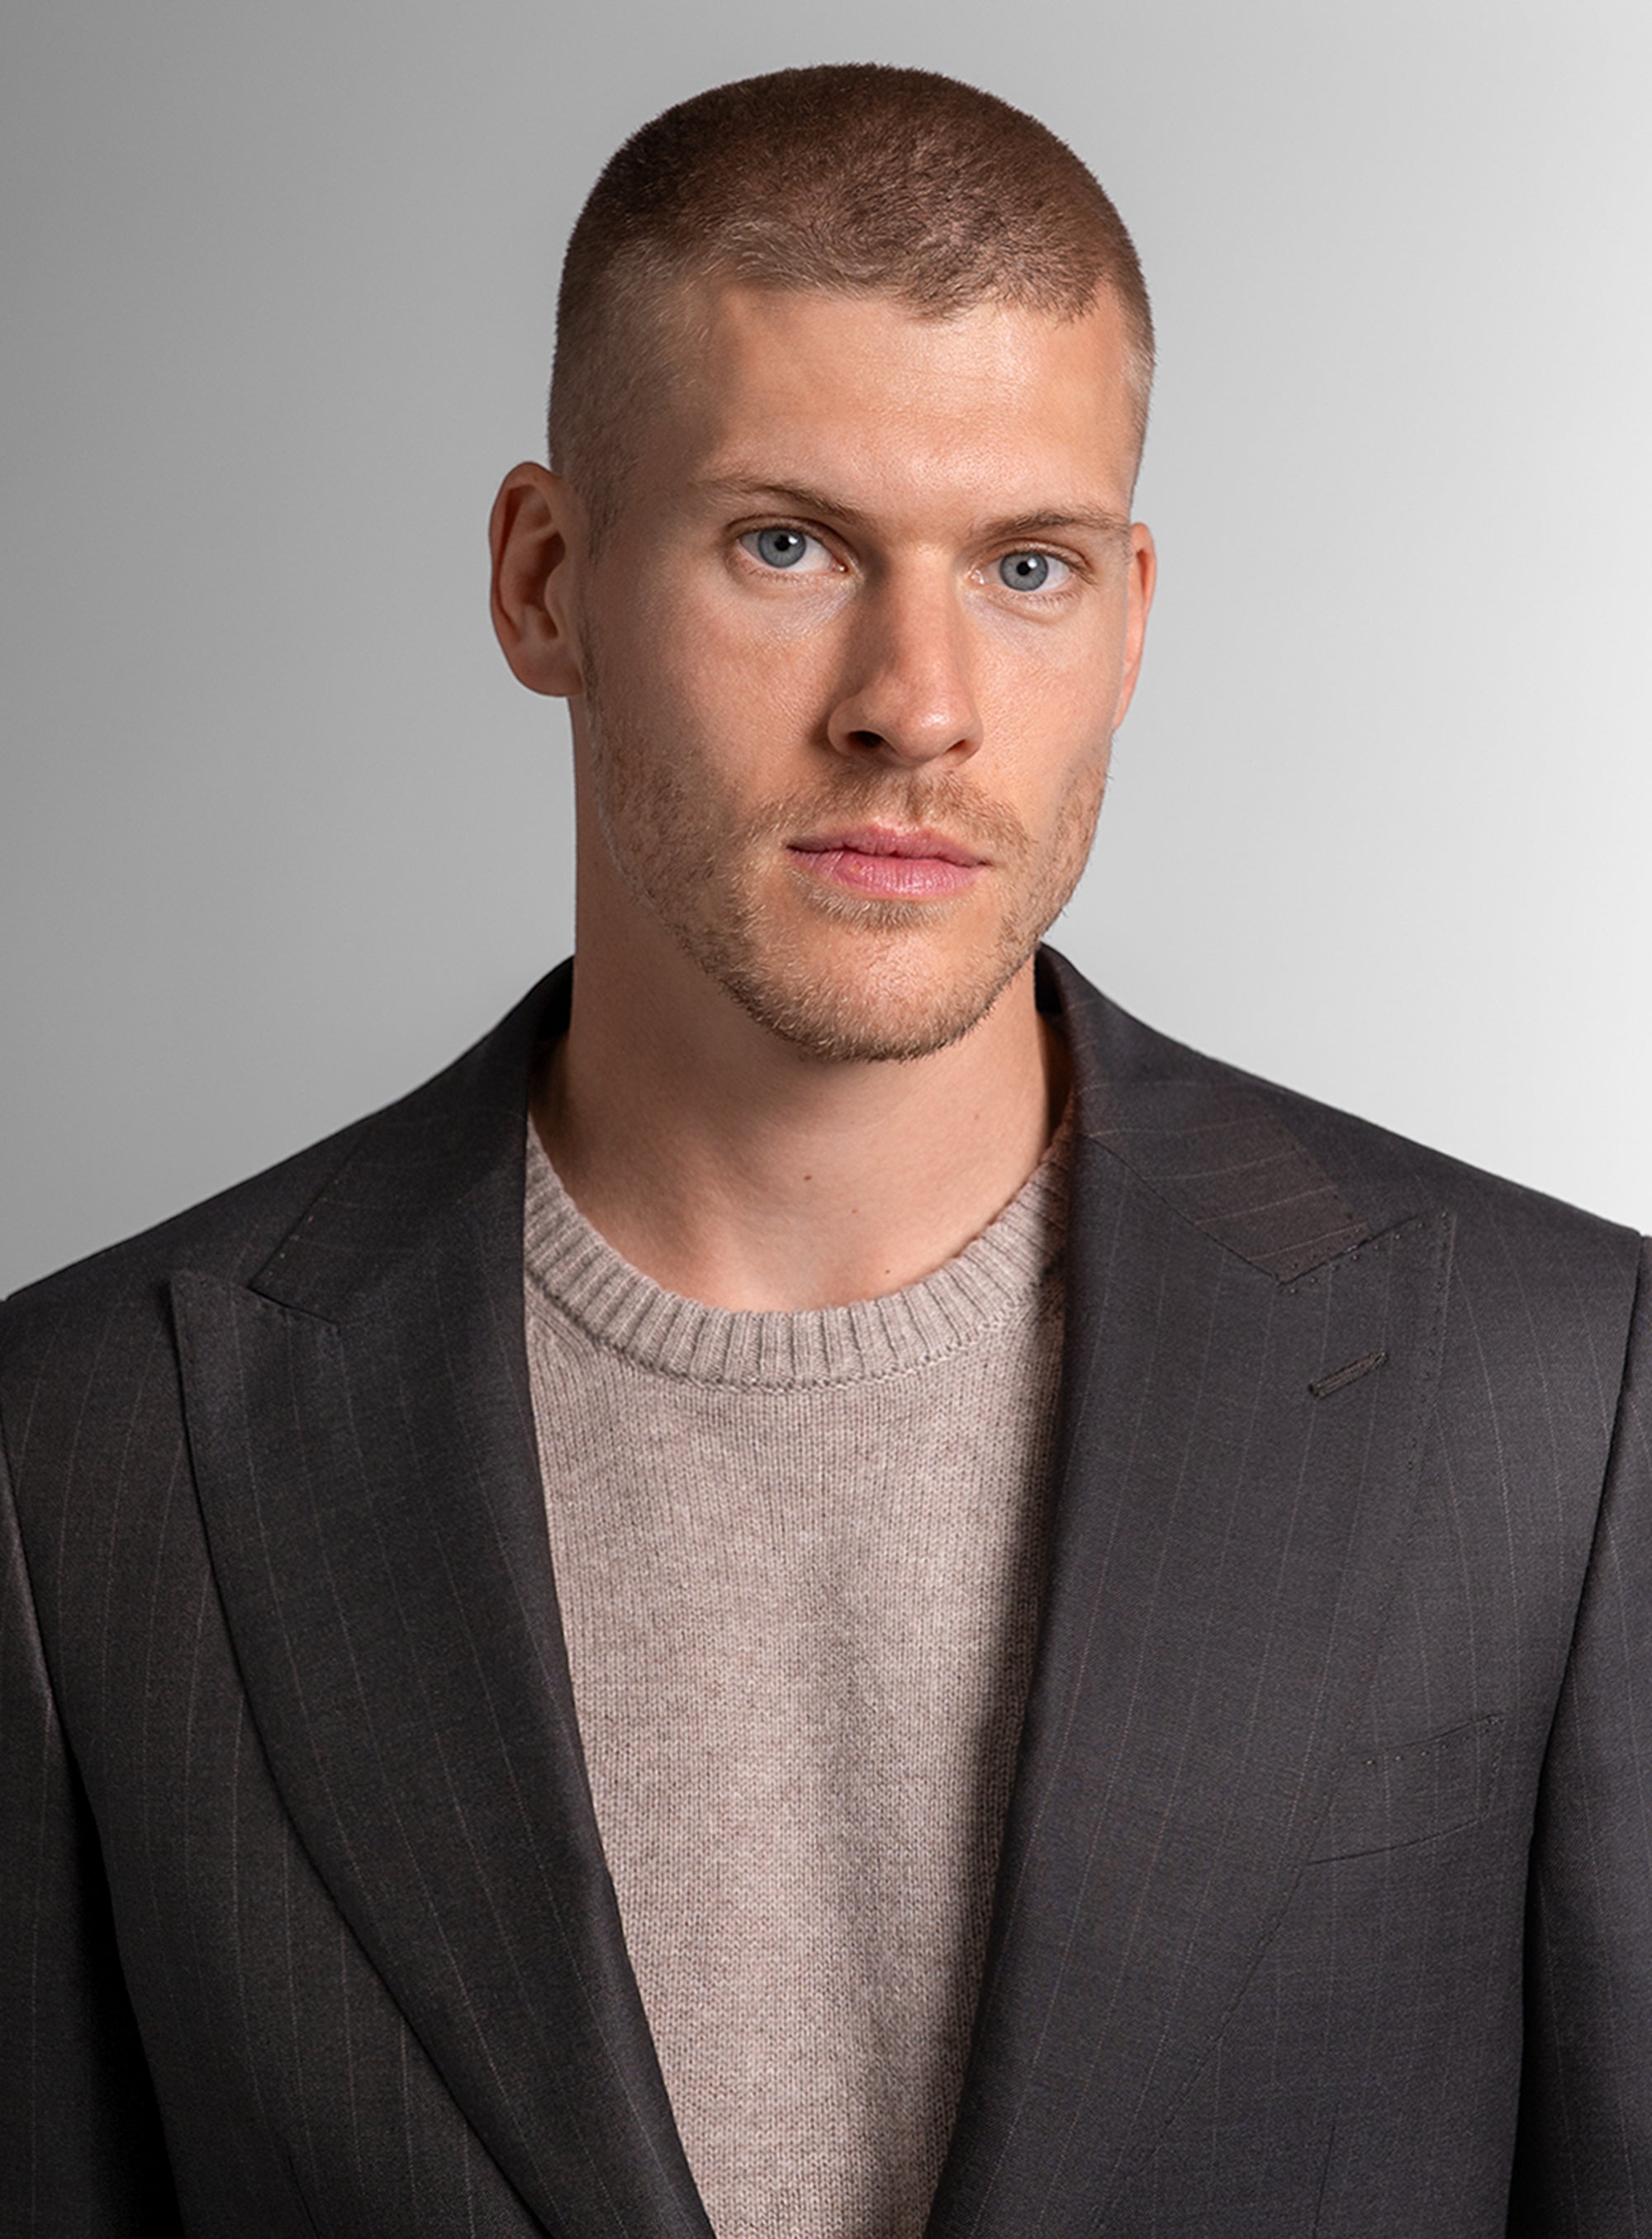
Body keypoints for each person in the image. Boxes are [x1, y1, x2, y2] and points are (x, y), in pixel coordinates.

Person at [2, 59, 1648, 2239]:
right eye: (790, 545)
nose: (917, 702)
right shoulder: (82, 1456)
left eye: (1029, 566)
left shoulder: (1562, 1402)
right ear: (543, 581)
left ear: (1134, 619)